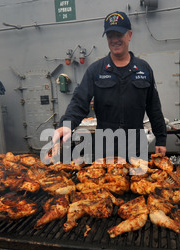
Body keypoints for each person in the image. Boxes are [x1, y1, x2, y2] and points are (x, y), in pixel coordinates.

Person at [52, 11, 167, 162]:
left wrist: (161, 138)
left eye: (119, 35)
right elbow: (79, 102)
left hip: (136, 144)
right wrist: (67, 125)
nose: (114, 40)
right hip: (105, 146)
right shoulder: (96, 70)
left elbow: (153, 107)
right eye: (110, 36)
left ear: (129, 35)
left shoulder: (144, 69)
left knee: (139, 183)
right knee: (106, 185)